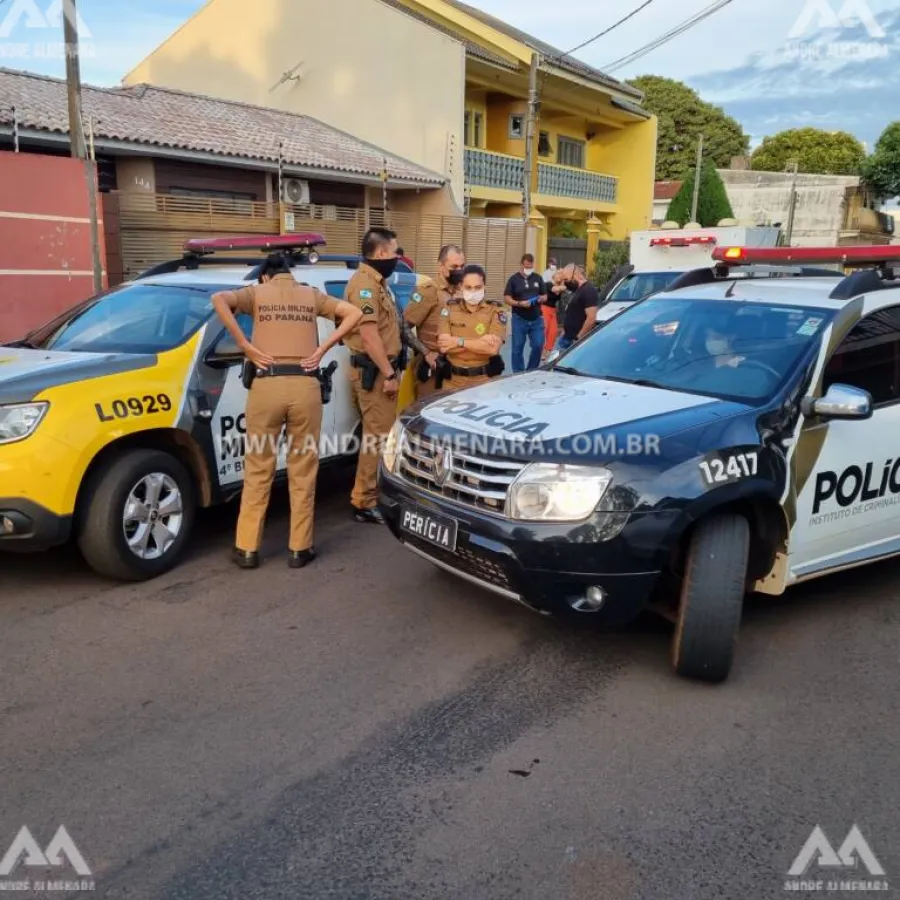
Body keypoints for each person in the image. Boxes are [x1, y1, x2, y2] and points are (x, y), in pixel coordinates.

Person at [211, 253, 362, 569]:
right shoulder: (310, 295)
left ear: (264, 276)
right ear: (289, 274)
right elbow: (353, 313)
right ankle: (300, 548)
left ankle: (248, 548)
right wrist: (321, 349)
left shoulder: (256, 293)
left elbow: (219, 300)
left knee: (258, 468)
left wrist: (245, 345)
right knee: (303, 469)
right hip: (305, 387)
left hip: (266, 386)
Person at [344, 227, 403, 524]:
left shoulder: (378, 284)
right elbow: (369, 336)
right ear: (381, 253)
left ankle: (371, 492)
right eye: (395, 252)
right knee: (376, 437)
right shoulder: (364, 286)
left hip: (380, 369)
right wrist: (389, 372)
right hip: (376, 372)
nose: (397, 257)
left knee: (379, 434)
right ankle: (364, 500)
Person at [403, 244, 465, 399]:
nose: (459, 270)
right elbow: (403, 326)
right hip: (434, 368)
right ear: (441, 266)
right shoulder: (428, 290)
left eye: (462, 266)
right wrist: (426, 352)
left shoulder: (461, 292)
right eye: (454, 266)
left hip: (456, 368)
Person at [436, 264, 507, 390]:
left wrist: (458, 341)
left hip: (484, 382)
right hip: (453, 382)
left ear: (484, 286)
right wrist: (480, 343)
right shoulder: (449, 309)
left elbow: (492, 349)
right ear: (461, 287)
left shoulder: (496, 311)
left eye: (478, 287)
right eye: (468, 287)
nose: (473, 292)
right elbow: (444, 347)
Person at [503, 253, 546, 372]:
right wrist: (519, 303)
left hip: (536, 318)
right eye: (526, 267)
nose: (528, 269)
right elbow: (506, 298)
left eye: (530, 267)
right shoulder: (513, 279)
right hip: (519, 318)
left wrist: (542, 298)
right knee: (517, 348)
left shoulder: (538, 278)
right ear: (521, 265)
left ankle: (532, 370)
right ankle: (518, 373)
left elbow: (545, 295)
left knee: (538, 345)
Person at [555, 264, 599, 352]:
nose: (565, 282)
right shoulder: (577, 290)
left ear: (574, 274)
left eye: (566, 279)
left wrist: (579, 338)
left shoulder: (588, 291)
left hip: (575, 340)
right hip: (566, 337)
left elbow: (591, 318)